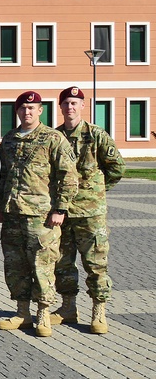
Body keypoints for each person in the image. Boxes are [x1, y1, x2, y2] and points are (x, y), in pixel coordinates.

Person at [0, 91, 77, 338]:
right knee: (15, 265)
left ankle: (43, 313)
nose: (27, 112)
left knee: (42, 265)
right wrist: (0, 206)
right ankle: (22, 312)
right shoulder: (9, 139)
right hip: (12, 214)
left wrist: (60, 208)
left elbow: (69, 176)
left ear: (40, 110)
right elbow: (2, 176)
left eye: (32, 108)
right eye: (22, 108)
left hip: (42, 216)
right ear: (17, 111)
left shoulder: (53, 138)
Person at [52, 86, 125, 334]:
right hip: (63, 213)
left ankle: (99, 311)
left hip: (91, 215)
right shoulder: (55, 137)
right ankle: (68, 308)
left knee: (95, 264)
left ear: (83, 106)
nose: (70, 107)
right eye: (66, 103)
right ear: (60, 107)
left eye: (75, 103)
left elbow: (117, 168)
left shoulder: (96, 135)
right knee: (62, 263)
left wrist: (97, 191)